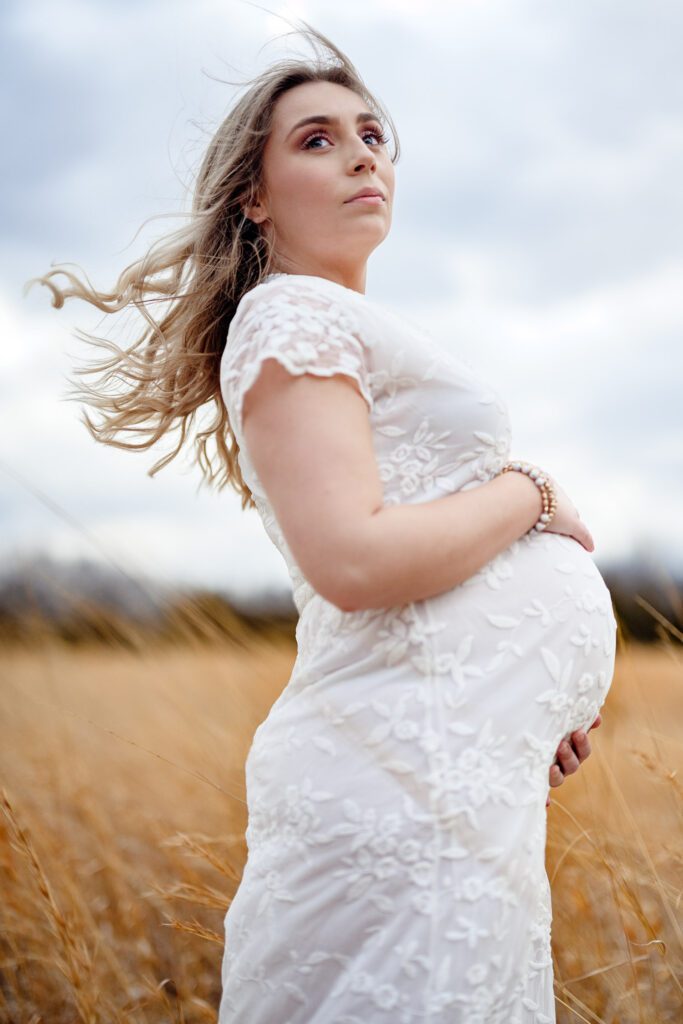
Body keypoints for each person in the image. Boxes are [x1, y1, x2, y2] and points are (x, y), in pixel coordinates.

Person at [26, 23, 616, 1024]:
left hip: (452, 790)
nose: (359, 154)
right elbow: (350, 557)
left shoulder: (346, 326)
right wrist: (531, 490)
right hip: (393, 796)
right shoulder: (290, 316)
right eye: (315, 139)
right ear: (252, 196)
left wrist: (513, 703)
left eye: (374, 135)